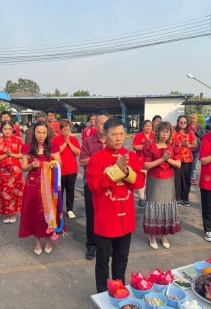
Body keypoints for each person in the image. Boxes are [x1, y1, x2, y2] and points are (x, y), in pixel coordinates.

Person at [86, 118, 145, 293]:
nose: (119, 138)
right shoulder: (97, 159)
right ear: (105, 136)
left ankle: (119, 288)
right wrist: (116, 171)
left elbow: (140, 181)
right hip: (106, 218)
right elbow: (94, 186)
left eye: (121, 134)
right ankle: (103, 292)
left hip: (126, 218)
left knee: (122, 258)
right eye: (114, 135)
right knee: (102, 259)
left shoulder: (131, 156)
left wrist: (126, 172)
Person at [19, 121, 63, 256]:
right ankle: (37, 240)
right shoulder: (27, 148)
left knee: (49, 210)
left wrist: (49, 164)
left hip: (49, 183)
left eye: (44, 132)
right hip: (33, 184)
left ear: (47, 133)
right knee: (34, 212)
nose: (41, 135)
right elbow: (24, 167)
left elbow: (59, 163)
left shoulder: (53, 146)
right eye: (38, 132)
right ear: (34, 133)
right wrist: (33, 165)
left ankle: (48, 239)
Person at [143, 122, 181, 249]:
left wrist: (168, 159)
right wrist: (162, 159)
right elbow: (146, 165)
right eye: (163, 131)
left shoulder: (173, 146)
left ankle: (164, 234)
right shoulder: (150, 146)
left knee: (166, 207)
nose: (165, 133)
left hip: (169, 180)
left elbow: (178, 164)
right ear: (157, 132)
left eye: (168, 131)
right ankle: (152, 235)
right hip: (154, 180)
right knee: (153, 207)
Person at [79, 113, 109, 260]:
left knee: (107, 216)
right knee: (92, 216)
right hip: (92, 184)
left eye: (107, 124)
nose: (105, 127)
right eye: (102, 124)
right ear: (95, 125)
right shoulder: (88, 142)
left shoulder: (113, 141)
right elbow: (83, 162)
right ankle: (91, 246)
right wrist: (99, 156)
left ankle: (105, 246)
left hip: (109, 184)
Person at [0, 121, 24, 224]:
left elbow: (23, 155)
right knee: (3, 193)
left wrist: (13, 155)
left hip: (16, 172)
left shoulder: (18, 141)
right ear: (1, 130)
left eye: (9, 129)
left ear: (12, 130)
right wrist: (5, 156)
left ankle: (14, 213)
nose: (7, 131)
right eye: (5, 129)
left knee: (15, 193)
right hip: (3, 172)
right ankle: (6, 214)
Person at [52, 119, 81, 219]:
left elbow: (78, 153)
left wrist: (69, 143)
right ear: (60, 130)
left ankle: (70, 209)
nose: (66, 131)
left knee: (70, 190)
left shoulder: (74, 140)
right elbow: (56, 152)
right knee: (59, 191)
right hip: (60, 170)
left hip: (72, 170)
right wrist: (65, 143)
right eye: (64, 129)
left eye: (68, 129)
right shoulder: (55, 140)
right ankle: (59, 210)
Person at [173, 115, 197, 207]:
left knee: (186, 179)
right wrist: (180, 144)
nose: (183, 124)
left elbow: (195, 145)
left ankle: (185, 198)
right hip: (176, 158)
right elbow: (171, 144)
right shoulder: (174, 132)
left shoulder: (190, 132)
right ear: (178, 123)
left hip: (187, 159)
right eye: (181, 122)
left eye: (185, 122)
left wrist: (188, 145)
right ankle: (177, 198)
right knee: (177, 179)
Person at [132, 120, 155, 207]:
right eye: (146, 126)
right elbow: (135, 147)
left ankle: (150, 197)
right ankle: (142, 198)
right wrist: (146, 145)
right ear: (143, 127)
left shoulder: (154, 136)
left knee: (152, 180)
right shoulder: (138, 136)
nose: (148, 128)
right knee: (142, 179)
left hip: (153, 160)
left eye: (150, 126)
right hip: (141, 160)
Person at [189, 114, 205, 185]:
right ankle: (187, 177)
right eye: (191, 118)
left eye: (194, 118)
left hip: (197, 149)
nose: (193, 120)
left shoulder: (200, 127)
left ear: (197, 120)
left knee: (194, 165)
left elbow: (204, 136)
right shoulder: (187, 127)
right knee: (188, 164)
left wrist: (196, 132)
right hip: (188, 149)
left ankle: (192, 178)